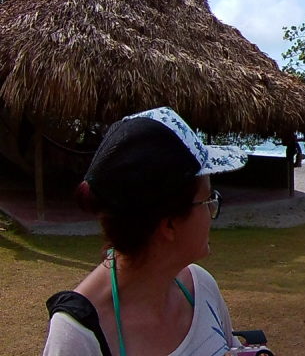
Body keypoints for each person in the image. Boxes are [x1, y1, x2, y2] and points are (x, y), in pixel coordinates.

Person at [43, 107, 247, 355]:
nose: (212, 211)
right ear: (169, 223)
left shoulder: (201, 287)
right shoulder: (78, 335)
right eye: (207, 200)